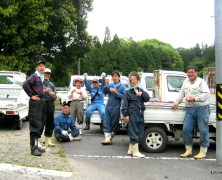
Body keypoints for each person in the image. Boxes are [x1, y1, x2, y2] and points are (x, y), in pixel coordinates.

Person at [171, 66, 210, 159]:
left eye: (192, 72)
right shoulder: (186, 81)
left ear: (196, 73)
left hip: (202, 108)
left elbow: (206, 94)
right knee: (186, 129)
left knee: (203, 130)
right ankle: (188, 150)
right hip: (189, 108)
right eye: (188, 72)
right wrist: (177, 102)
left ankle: (203, 152)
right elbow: (181, 94)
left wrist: (195, 98)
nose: (190, 74)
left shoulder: (201, 82)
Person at [23, 60, 50, 156]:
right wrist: (31, 96)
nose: (42, 67)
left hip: (41, 101)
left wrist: (44, 91)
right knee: (35, 124)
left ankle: (36, 146)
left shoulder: (40, 77)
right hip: (35, 102)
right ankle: (33, 148)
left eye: (43, 66)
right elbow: (25, 84)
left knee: (41, 123)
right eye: (40, 66)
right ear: (36, 68)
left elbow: (36, 89)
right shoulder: (34, 76)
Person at [121, 71, 150, 157]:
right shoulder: (128, 92)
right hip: (132, 114)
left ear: (138, 80)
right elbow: (125, 104)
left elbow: (147, 98)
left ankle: (130, 149)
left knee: (140, 133)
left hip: (140, 114)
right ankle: (135, 152)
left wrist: (142, 93)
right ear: (130, 82)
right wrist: (126, 114)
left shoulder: (141, 90)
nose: (134, 82)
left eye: (135, 80)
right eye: (132, 80)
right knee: (133, 132)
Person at [102, 70, 126, 145]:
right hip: (108, 105)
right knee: (106, 122)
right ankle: (107, 138)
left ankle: (110, 137)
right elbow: (105, 92)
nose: (114, 78)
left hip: (116, 106)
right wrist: (106, 84)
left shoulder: (122, 86)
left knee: (114, 124)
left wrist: (116, 93)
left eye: (116, 76)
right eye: (113, 76)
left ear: (119, 77)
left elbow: (124, 97)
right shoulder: (110, 85)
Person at [43, 68, 57, 147]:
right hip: (43, 103)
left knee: (50, 121)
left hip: (51, 103)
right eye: (45, 73)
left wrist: (53, 96)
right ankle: (38, 140)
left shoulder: (51, 84)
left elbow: (55, 95)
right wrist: (46, 91)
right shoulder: (40, 82)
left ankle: (48, 139)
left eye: (48, 74)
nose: (47, 75)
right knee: (42, 121)